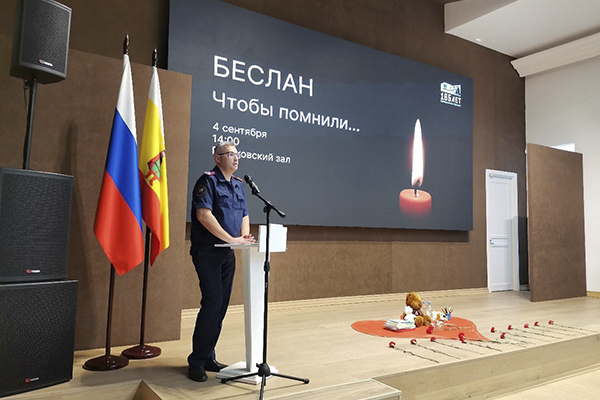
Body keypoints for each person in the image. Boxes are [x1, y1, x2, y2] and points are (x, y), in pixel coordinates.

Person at [188, 142, 255, 382]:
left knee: (222, 306)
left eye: (237, 154)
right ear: (217, 158)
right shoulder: (207, 181)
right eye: (230, 154)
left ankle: (208, 356)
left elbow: (244, 214)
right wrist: (231, 239)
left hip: (228, 254)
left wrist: (243, 238)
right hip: (208, 252)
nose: (236, 158)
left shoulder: (238, 184)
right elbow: (203, 215)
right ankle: (196, 362)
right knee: (212, 303)